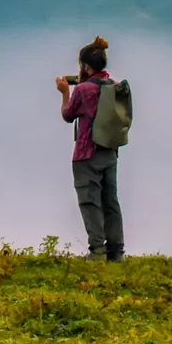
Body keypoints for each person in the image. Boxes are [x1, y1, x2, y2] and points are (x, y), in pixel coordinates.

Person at [55, 36, 124, 262]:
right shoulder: (114, 85)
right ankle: (116, 252)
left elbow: (68, 115)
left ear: (85, 65)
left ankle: (97, 251)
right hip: (110, 151)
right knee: (110, 200)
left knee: (89, 200)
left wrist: (65, 91)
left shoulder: (83, 90)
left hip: (87, 152)